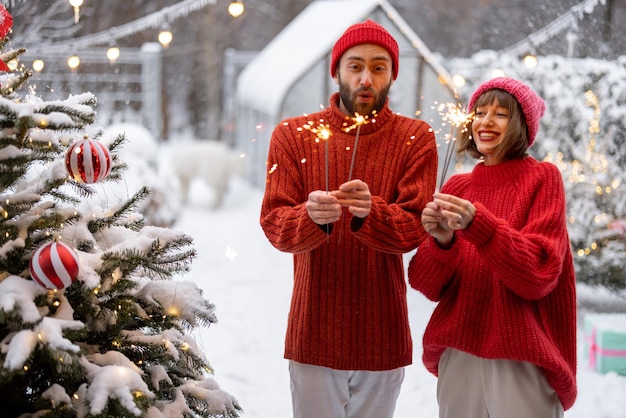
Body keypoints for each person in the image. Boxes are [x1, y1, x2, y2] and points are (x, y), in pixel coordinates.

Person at [259, 19, 438, 418]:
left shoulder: (415, 138)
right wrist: (310, 218)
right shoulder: (292, 135)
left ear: (393, 74)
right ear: (336, 70)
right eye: (355, 65)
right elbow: (274, 222)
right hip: (314, 333)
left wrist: (371, 212)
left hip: (382, 333)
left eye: (379, 67)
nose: (365, 78)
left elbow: (415, 227)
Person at [408, 77, 577, 417]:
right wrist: (441, 241)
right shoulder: (457, 186)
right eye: (480, 112)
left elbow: (539, 274)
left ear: (522, 125)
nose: (485, 121)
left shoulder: (543, 179)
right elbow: (426, 285)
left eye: (500, 114)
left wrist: (479, 227)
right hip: (459, 354)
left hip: (522, 357)